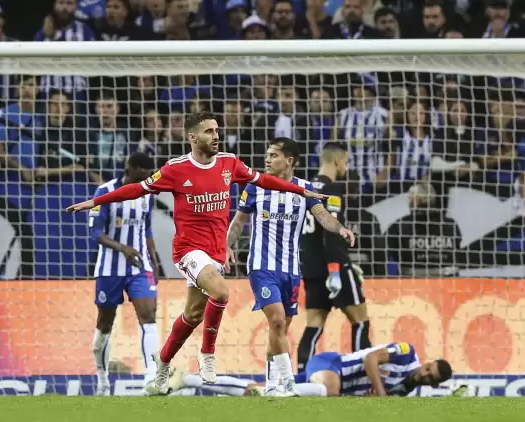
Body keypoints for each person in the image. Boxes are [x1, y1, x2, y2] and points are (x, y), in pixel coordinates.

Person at [66, 111, 327, 396]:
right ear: (193, 137)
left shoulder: (230, 163)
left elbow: (264, 181)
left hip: (214, 253)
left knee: (192, 316)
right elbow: (134, 190)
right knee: (222, 292)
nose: (216, 136)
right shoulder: (175, 169)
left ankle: (162, 363)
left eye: (217, 131)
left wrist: (302, 192)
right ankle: (207, 355)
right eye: (209, 132)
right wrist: (94, 201)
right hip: (188, 251)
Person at [226, 138, 355, 397]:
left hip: (292, 270)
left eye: (274, 155)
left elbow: (322, 215)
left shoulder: (304, 189)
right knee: (275, 321)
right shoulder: (254, 188)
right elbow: (239, 222)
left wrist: (339, 228)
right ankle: (287, 383)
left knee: (281, 328)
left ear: (289, 161)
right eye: (267, 154)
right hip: (261, 267)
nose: (267, 159)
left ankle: (272, 384)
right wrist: (226, 245)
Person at [88, 153, 161, 396]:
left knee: (148, 316)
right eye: (143, 173)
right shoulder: (105, 191)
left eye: (150, 173)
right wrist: (123, 248)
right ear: (129, 169)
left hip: (140, 266)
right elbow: (95, 234)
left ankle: (151, 378)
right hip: (110, 268)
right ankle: (102, 380)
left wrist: (154, 257)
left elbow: (146, 227)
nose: (147, 178)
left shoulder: (147, 193)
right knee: (105, 324)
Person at [298, 142, 371, 375]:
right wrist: (336, 271)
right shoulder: (332, 190)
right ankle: (362, 376)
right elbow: (332, 233)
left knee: (313, 326)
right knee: (360, 321)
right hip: (334, 266)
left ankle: (301, 376)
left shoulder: (305, 189)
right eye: (346, 162)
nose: (346, 167)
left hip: (310, 268)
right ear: (338, 161)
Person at [167, 343, 453, 398]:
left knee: (254, 390)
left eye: (431, 377)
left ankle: (185, 380)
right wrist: (379, 394)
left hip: (330, 387)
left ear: (433, 383)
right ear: (427, 363)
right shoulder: (407, 353)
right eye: (429, 369)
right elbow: (370, 361)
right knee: (330, 390)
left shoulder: (404, 391)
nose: (425, 374)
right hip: (331, 365)